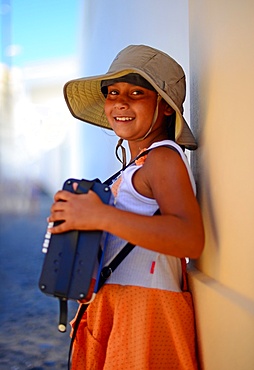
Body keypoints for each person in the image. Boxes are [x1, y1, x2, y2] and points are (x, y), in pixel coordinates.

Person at [48, 45, 204, 369]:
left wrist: (99, 214)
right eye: (113, 92)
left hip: (144, 310)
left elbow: (190, 238)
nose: (121, 101)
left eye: (137, 92)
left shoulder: (163, 157)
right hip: (119, 305)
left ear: (164, 106)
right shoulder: (139, 163)